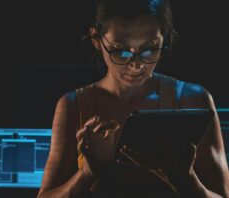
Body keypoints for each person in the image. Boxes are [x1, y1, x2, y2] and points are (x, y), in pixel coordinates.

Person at [37, 0, 229, 197]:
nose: (136, 66)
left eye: (150, 49)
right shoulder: (73, 106)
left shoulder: (192, 100)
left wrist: (186, 180)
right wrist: (87, 173)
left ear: (165, 39)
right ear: (96, 40)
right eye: (120, 51)